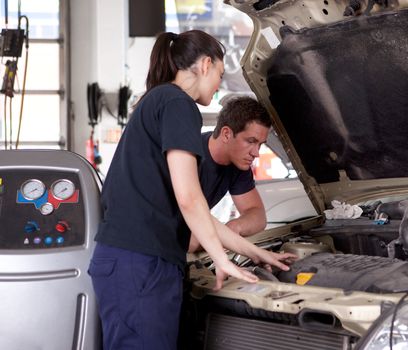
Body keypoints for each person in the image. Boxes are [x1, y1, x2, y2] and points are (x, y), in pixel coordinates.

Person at [88, 30, 295, 350]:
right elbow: (189, 198)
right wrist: (220, 259)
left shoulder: (158, 100)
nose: (219, 85)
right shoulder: (177, 103)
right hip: (141, 265)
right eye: (220, 75)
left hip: (132, 263)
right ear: (205, 64)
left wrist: (255, 252)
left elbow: (196, 213)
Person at [188, 96, 270, 253]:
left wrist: (235, 226)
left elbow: (258, 215)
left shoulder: (238, 163)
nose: (256, 153)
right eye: (251, 141)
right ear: (226, 134)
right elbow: (186, 237)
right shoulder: (188, 157)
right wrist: (225, 237)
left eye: (260, 144)